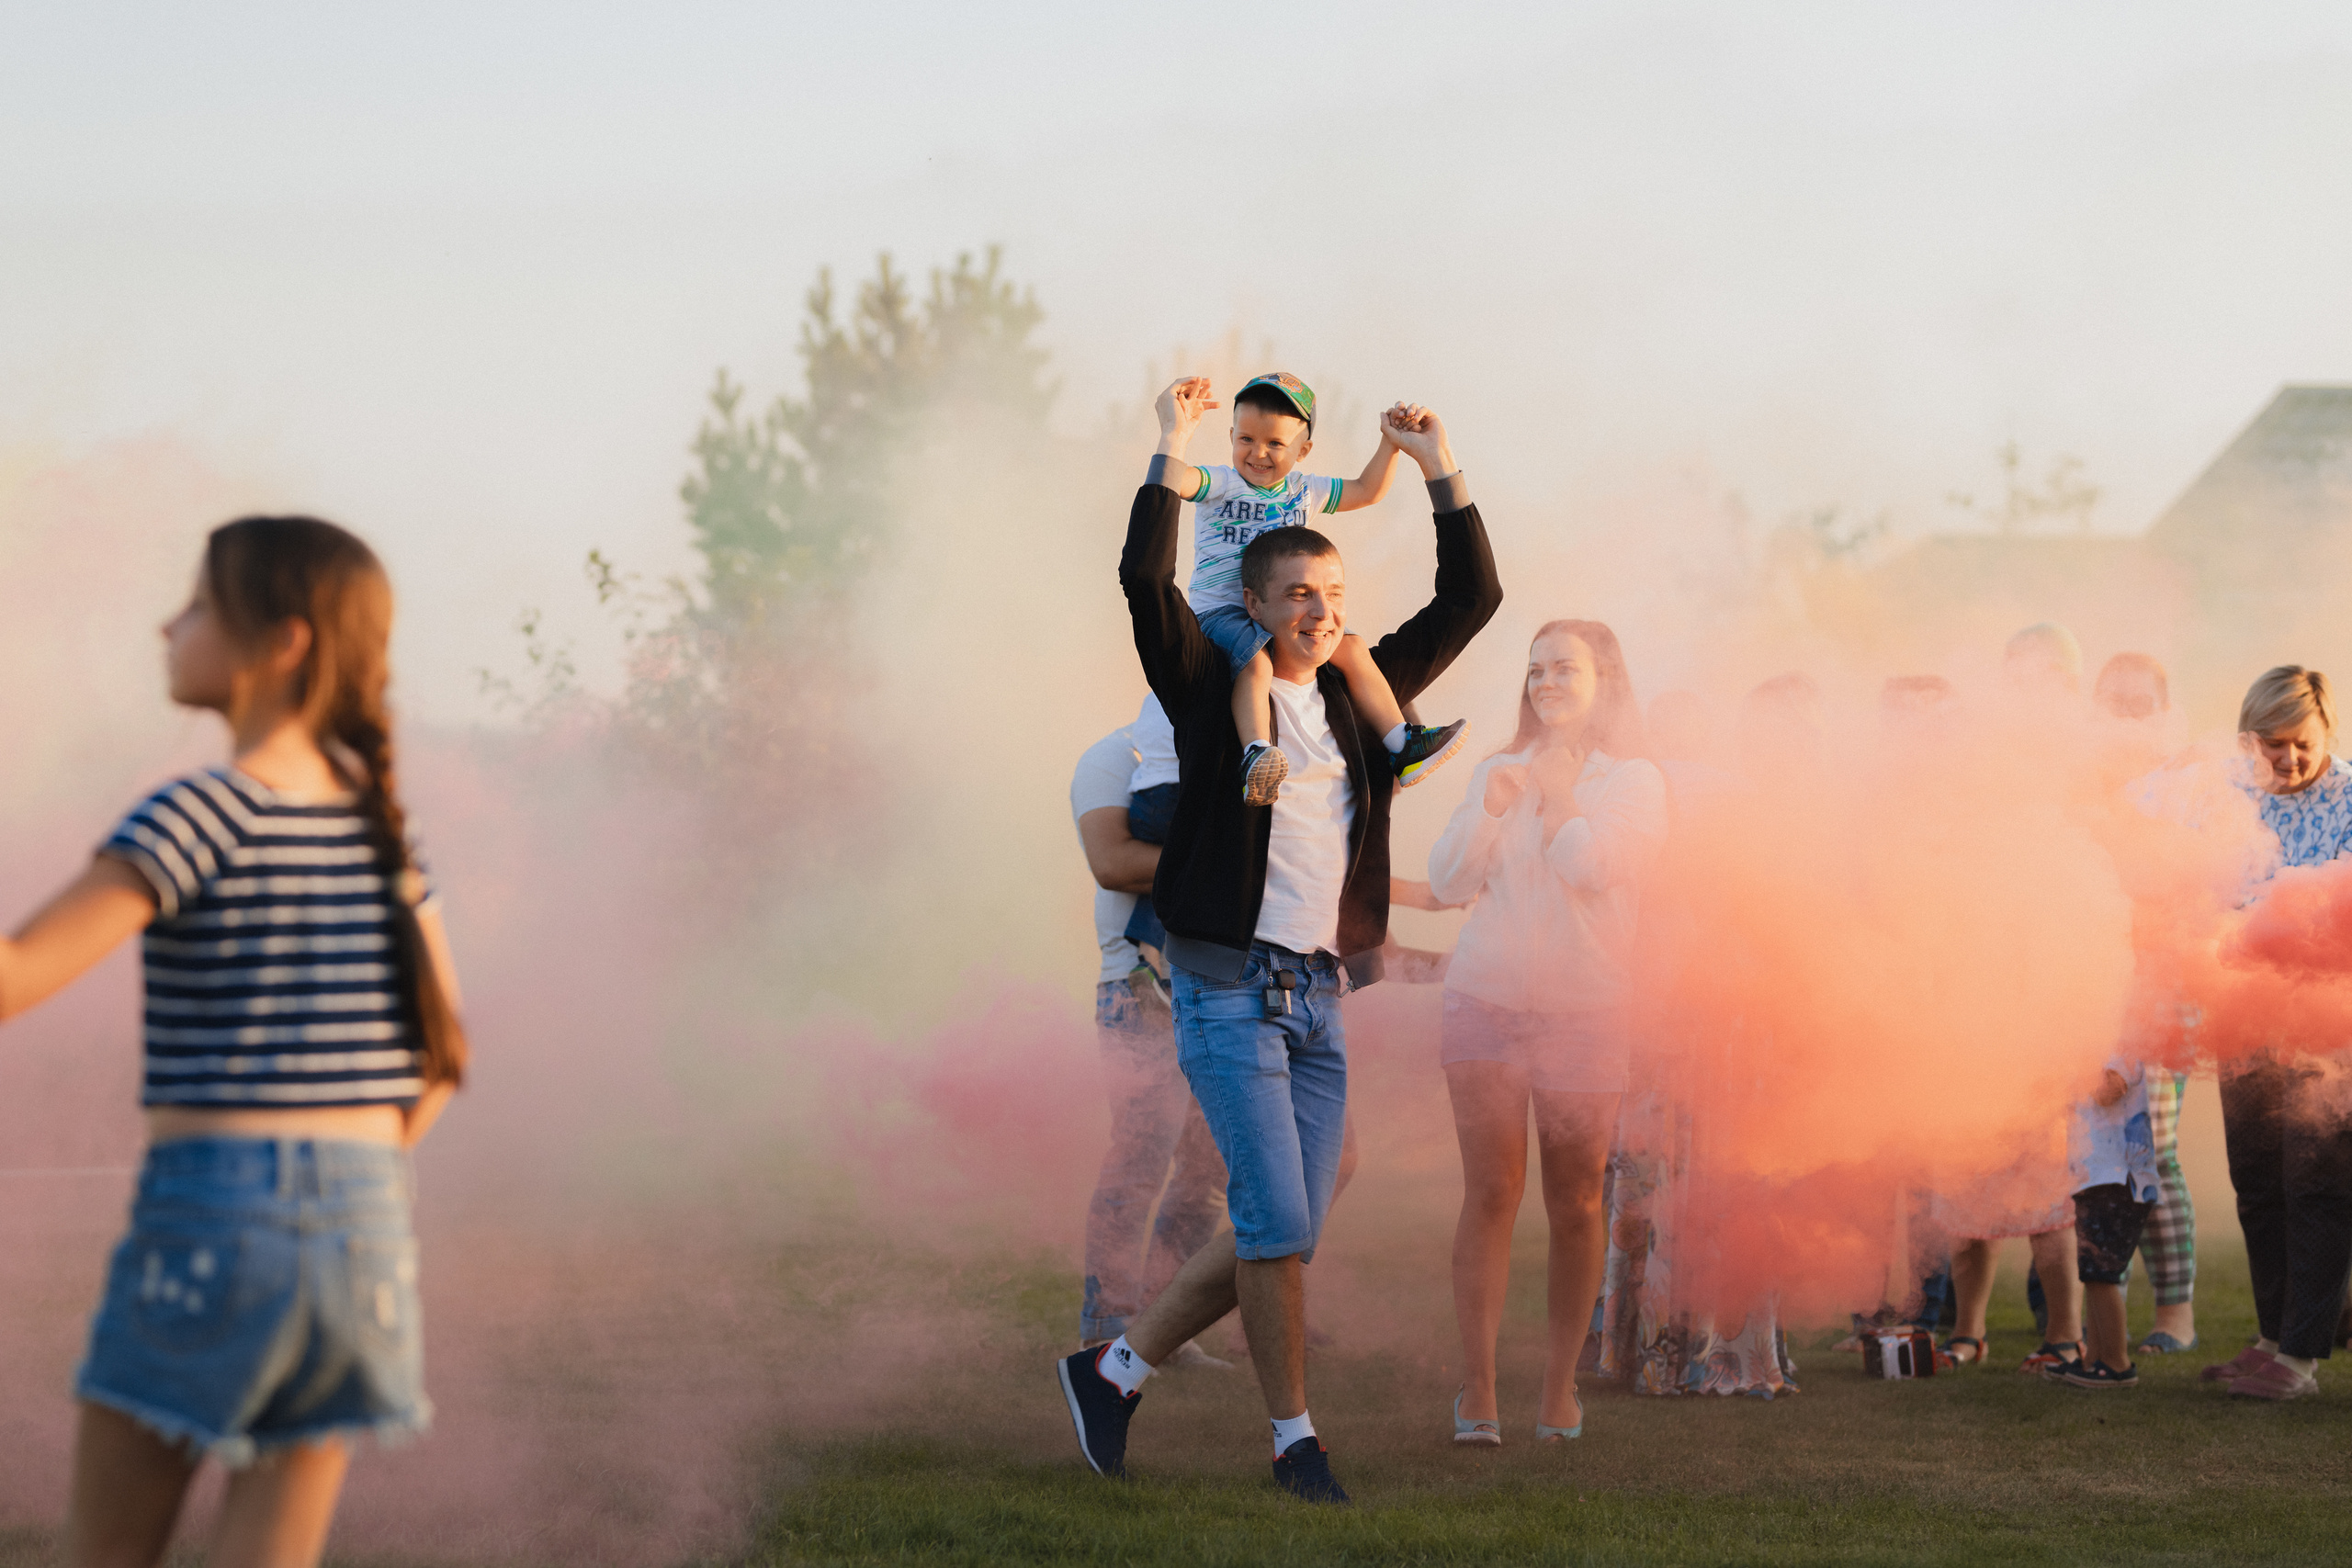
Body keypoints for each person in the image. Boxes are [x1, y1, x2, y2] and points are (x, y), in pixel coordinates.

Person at [1056, 384, 1501, 1503]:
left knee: (1283, 1230)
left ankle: (1112, 1370)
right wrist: (1169, 446)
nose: (1318, 611)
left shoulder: (1362, 701)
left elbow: (1474, 594)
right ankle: (1294, 1439)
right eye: (1296, 593)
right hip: (1224, 993)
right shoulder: (1212, 696)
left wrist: (1438, 466)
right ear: (1253, 604)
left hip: (1317, 995)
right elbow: (1141, 582)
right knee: (1274, 1222)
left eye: (1334, 595)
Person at [0, 516, 465, 1568]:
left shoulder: (202, 813)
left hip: (215, 1214)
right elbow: (440, 1061)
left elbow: (16, 977)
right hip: (368, 1235)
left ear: (284, 641)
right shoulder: (383, 832)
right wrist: (336, 1182)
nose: (170, 623)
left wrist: (259, 1186)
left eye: (199, 603)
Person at [1427, 621, 1666, 1443]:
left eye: (1564, 667)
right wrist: (1492, 809)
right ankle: (1479, 1389)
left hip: (1586, 1011)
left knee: (1577, 1200)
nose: (1546, 681)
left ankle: (1559, 1387)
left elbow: (1594, 867)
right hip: (1485, 999)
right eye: (1534, 669)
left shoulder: (1635, 781)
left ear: (1606, 680)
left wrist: (1560, 794)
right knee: (1491, 1193)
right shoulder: (1497, 769)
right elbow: (1451, 878)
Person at [1148, 373, 1468, 804]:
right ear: (1229, 436)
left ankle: (1402, 745)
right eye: (1245, 439)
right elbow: (1172, 483)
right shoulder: (1221, 483)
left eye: (1275, 444)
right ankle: (1256, 754)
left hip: (1283, 617)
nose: (1257, 453)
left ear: (1304, 450)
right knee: (1257, 664)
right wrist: (1176, 435)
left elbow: (1368, 491)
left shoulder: (1304, 491)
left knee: (1353, 649)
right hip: (1222, 614)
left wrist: (1390, 444)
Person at [2202, 666, 2352, 1400]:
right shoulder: (2232, 798)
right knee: (2258, 1183)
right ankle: (2271, 1336)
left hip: (2329, 1039)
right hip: (2246, 1022)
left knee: (2315, 1185)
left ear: (2326, 732)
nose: (2285, 759)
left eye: (2300, 743)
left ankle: (2301, 1360)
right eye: (2270, 743)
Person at [1070, 709, 1230, 1367]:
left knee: (1209, 1168)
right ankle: (1107, 1329)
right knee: (1141, 1160)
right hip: (1137, 989)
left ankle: (1164, 1326)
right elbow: (1113, 863)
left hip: (1218, 983)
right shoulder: (1114, 756)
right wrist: (1234, 861)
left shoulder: (1226, 749)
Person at [2091, 652, 2199, 1355]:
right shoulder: (2081, 780)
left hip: (2164, 986)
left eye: (2141, 701)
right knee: (2097, 1154)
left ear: (2163, 707)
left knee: (2151, 1151)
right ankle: (2104, 1321)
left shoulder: (2185, 783)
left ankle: (2176, 1314)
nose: (2128, 712)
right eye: (2116, 700)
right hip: (2090, 984)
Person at [2052, 1061, 2161, 1389]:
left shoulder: (2121, 1039)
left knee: (2102, 1272)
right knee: (2092, 1273)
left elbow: (2107, 1092)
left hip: (2117, 1179)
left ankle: (2117, 1363)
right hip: (2096, 1177)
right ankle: (2094, 1359)